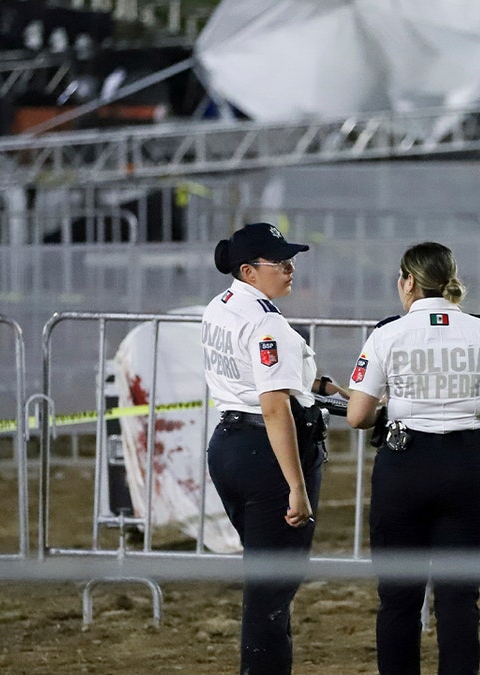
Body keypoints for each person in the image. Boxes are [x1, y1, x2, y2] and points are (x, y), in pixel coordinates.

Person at [346, 241, 480, 675]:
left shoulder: (387, 334)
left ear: (408, 281)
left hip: (405, 466)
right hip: (468, 467)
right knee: (460, 599)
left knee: (398, 599)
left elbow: (356, 417)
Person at [201, 221, 344, 674]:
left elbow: (258, 380)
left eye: (291, 261)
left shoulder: (219, 307)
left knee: (266, 578)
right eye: (280, 263)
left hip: (229, 445)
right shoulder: (267, 323)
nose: (290, 269)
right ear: (248, 270)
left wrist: (318, 386)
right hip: (267, 453)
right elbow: (275, 408)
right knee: (273, 586)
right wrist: (295, 488)